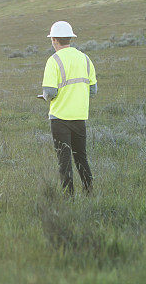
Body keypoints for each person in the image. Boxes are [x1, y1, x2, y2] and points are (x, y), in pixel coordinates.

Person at [40, 21, 97, 195]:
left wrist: (46, 97)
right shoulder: (85, 59)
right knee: (81, 156)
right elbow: (92, 91)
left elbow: (49, 92)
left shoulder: (54, 60)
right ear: (71, 38)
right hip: (79, 116)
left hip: (59, 117)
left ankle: (68, 196)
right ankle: (89, 190)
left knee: (63, 159)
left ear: (55, 40)